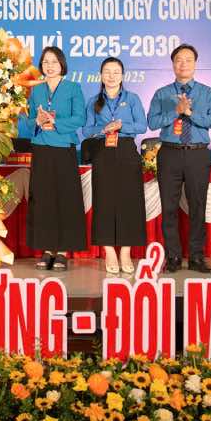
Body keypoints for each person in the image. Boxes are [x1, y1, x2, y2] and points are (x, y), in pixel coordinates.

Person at [146, 44, 211, 274]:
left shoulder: (207, 92)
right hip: (169, 153)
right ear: (173, 64)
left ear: (195, 64)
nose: (183, 64)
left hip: (198, 153)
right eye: (179, 60)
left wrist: (190, 113)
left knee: (198, 205)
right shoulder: (162, 93)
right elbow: (152, 122)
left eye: (188, 60)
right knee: (169, 207)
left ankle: (197, 257)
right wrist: (175, 111)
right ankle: (173, 256)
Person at [82, 57, 147, 274]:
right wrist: (103, 129)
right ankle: (109, 250)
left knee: (130, 201)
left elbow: (142, 125)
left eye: (116, 72)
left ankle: (126, 251)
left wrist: (122, 125)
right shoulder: (93, 101)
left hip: (127, 150)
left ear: (122, 75)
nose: (111, 76)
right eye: (107, 72)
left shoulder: (133, 98)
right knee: (105, 201)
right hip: (103, 152)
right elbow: (86, 130)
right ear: (101, 75)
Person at [27, 46, 87, 271]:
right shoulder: (37, 90)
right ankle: (46, 249)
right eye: (45, 62)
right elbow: (27, 119)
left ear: (62, 64)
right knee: (43, 200)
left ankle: (62, 251)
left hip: (63, 147)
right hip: (41, 147)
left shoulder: (73, 88)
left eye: (53, 61)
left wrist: (56, 123)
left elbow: (79, 117)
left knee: (65, 199)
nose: (49, 66)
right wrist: (37, 121)